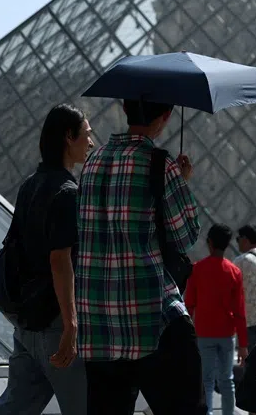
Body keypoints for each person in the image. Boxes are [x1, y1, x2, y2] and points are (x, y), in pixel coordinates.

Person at [77, 99, 206, 415]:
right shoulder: (158, 164)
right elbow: (185, 235)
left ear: (124, 108)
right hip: (151, 316)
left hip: (99, 323)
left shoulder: (91, 163)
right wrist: (179, 181)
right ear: (165, 117)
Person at [0, 104, 94, 415]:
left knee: (13, 407)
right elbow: (60, 260)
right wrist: (71, 325)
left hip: (27, 321)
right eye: (87, 134)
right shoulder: (67, 193)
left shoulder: (29, 185)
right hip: (56, 324)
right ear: (68, 137)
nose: (91, 142)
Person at [185, 224, 249, 415]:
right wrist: (244, 344)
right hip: (227, 333)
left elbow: (189, 304)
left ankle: (208, 413)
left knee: (206, 380)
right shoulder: (234, 271)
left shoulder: (197, 270)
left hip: (203, 332)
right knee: (227, 380)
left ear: (210, 243)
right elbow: (240, 311)